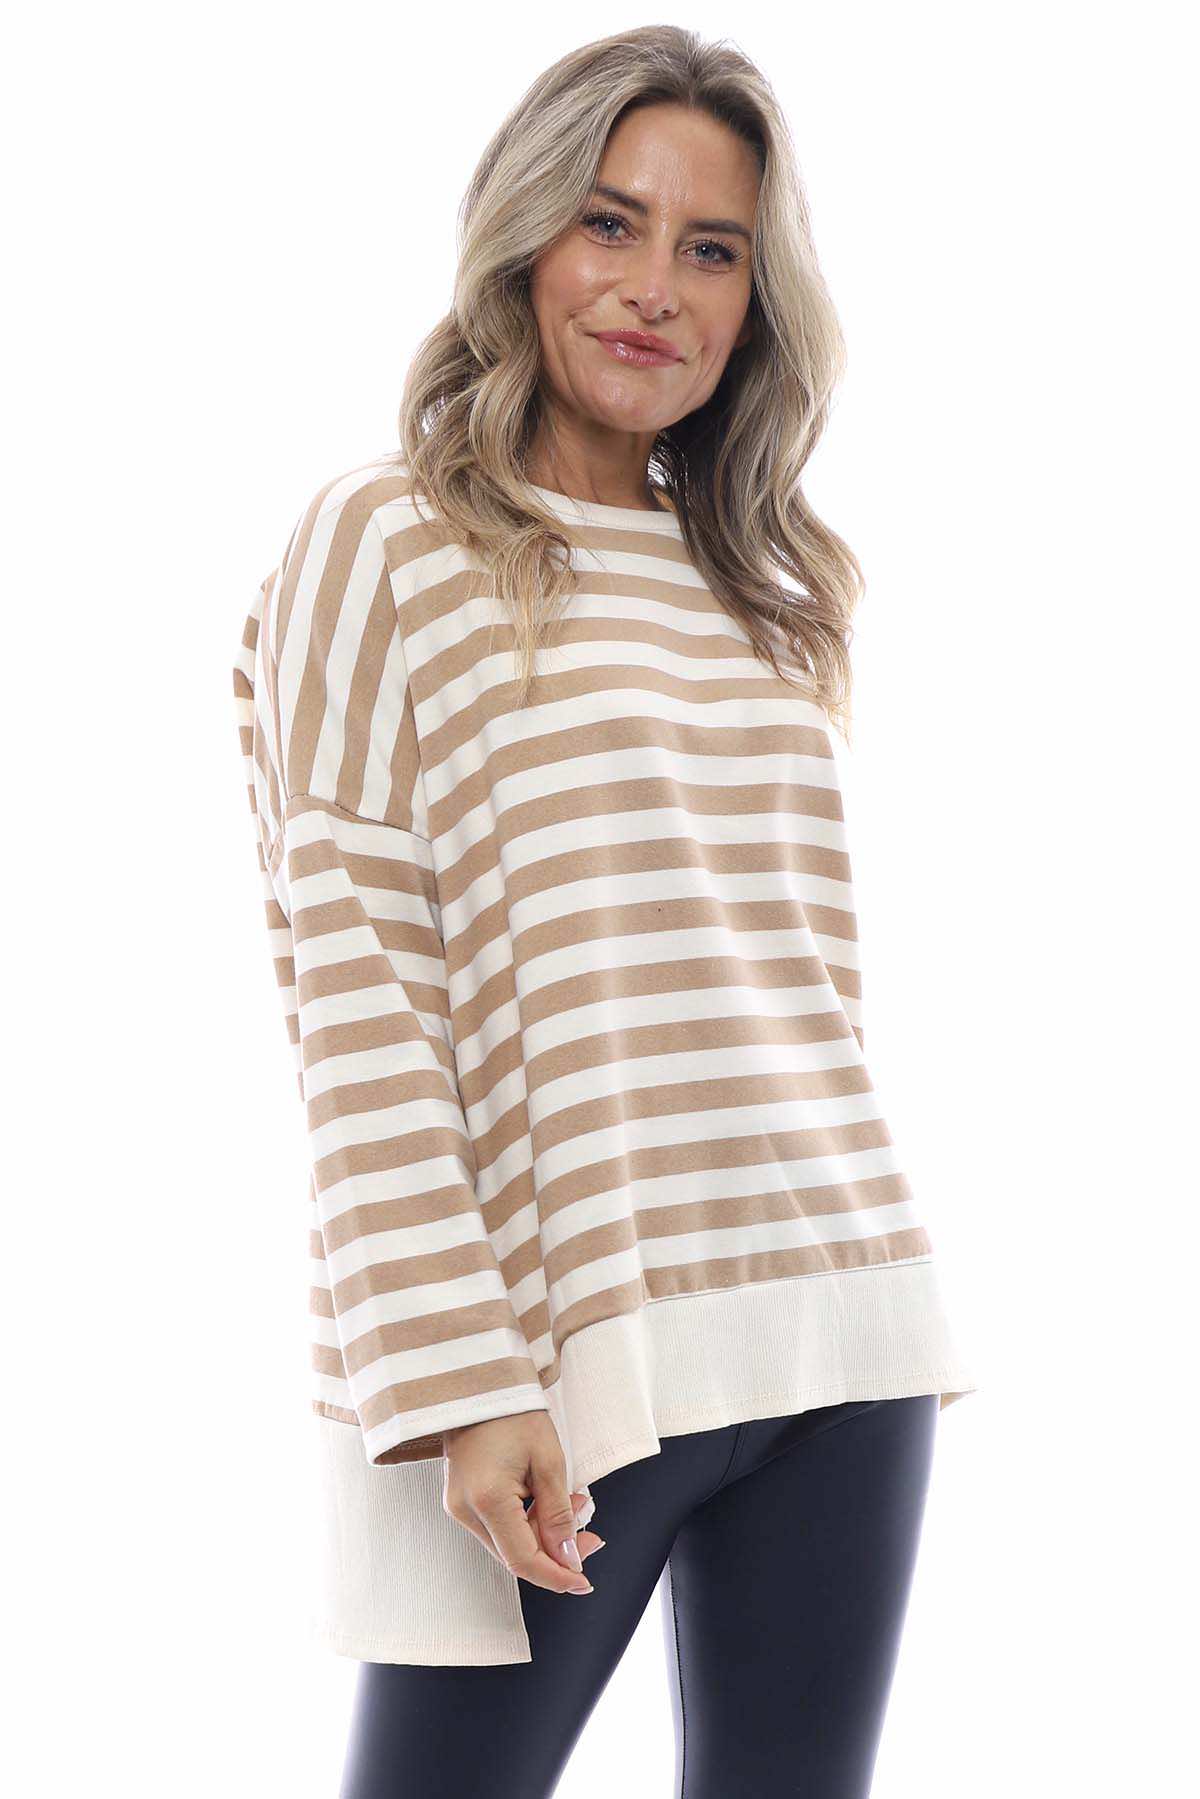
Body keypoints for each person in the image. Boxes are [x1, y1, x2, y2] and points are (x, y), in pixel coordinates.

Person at [230, 24, 978, 1797]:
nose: (654, 288)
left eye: (710, 249)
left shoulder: (762, 586)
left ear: (756, 300)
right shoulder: (386, 542)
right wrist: (460, 1378)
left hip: (840, 1324)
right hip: (559, 1365)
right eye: (610, 223)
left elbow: (802, 985)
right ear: (524, 241)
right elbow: (357, 991)